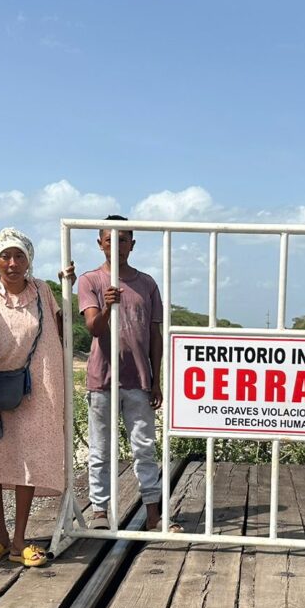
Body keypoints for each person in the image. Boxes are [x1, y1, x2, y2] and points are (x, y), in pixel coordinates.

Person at [0, 228, 72, 567]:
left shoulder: (42, 291)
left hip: (35, 387)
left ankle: (19, 538)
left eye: (19, 256)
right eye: (5, 256)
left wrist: (68, 288)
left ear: (28, 259)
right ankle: (1, 535)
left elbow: (58, 331)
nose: (12, 263)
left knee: (29, 459)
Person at [77, 215, 172, 531]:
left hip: (138, 379)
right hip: (102, 379)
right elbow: (94, 328)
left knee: (144, 447)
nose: (116, 246)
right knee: (100, 450)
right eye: (109, 239)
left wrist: (156, 379)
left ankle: (153, 514)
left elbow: (155, 334)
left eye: (122, 240)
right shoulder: (91, 281)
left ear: (132, 244)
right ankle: (100, 512)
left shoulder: (147, 284)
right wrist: (107, 307)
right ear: (100, 243)